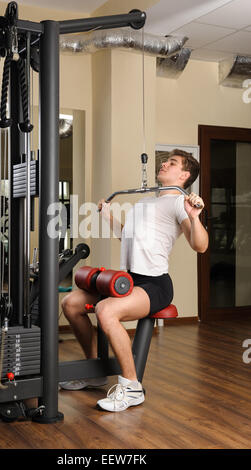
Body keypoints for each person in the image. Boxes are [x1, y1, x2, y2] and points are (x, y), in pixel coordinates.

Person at [60, 149, 209, 412]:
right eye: (165, 161)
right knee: (71, 303)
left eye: (172, 163)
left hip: (154, 284)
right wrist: (108, 217)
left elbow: (201, 246)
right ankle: (95, 369)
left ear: (184, 175)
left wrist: (195, 218)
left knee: (106, 311)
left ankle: (131, 387)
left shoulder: (179, 204)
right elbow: (128, 238)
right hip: (128, 280)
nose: (164, 163)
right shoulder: (145, 203)